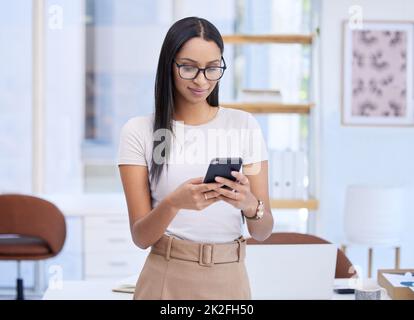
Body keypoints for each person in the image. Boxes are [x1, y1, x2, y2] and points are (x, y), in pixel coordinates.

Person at [117, 16, 273, 300]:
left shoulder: (244, 125)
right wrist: (174, 203)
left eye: (212, 69)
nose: (202, 80)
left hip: (230, 278)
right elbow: (141, 237)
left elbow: (263, 231)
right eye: (188, 68)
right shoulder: (139, 131)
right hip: (165, 277)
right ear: (170, 66)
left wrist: (250, 204)